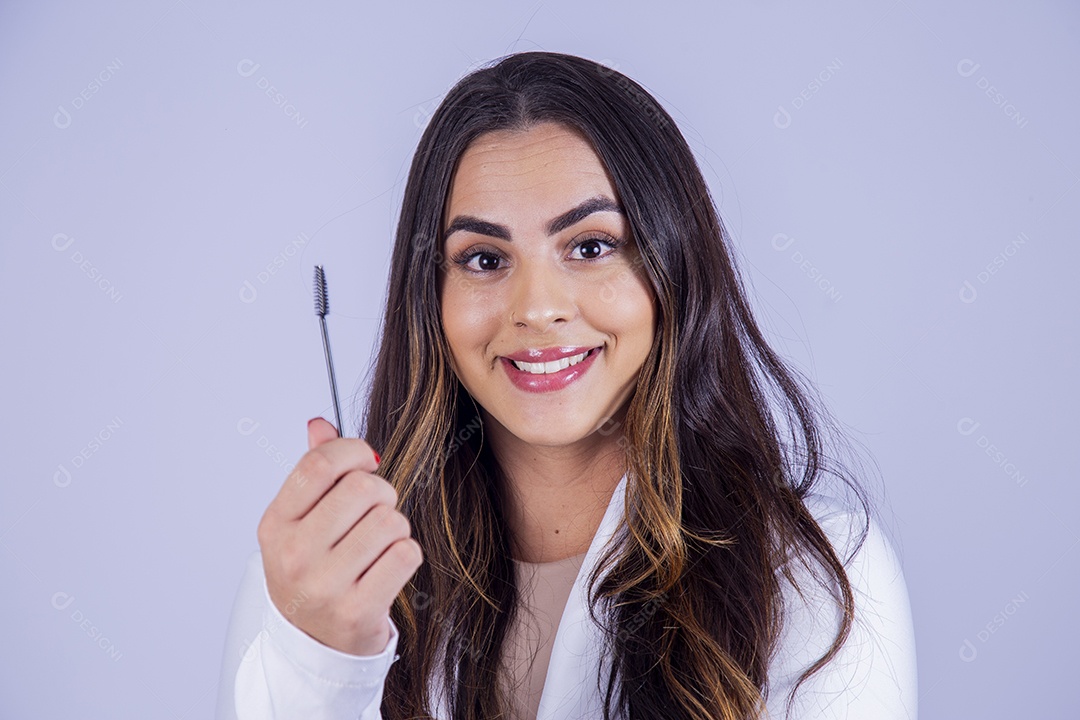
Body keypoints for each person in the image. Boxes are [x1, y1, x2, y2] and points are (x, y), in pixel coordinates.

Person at [215, 50, 917, 720]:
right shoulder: (311, 584)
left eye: (590, 247)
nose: (537, 307)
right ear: (430, 298)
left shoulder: (811, 577)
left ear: (674, 270)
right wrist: (324, 664)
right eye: (484, 258)